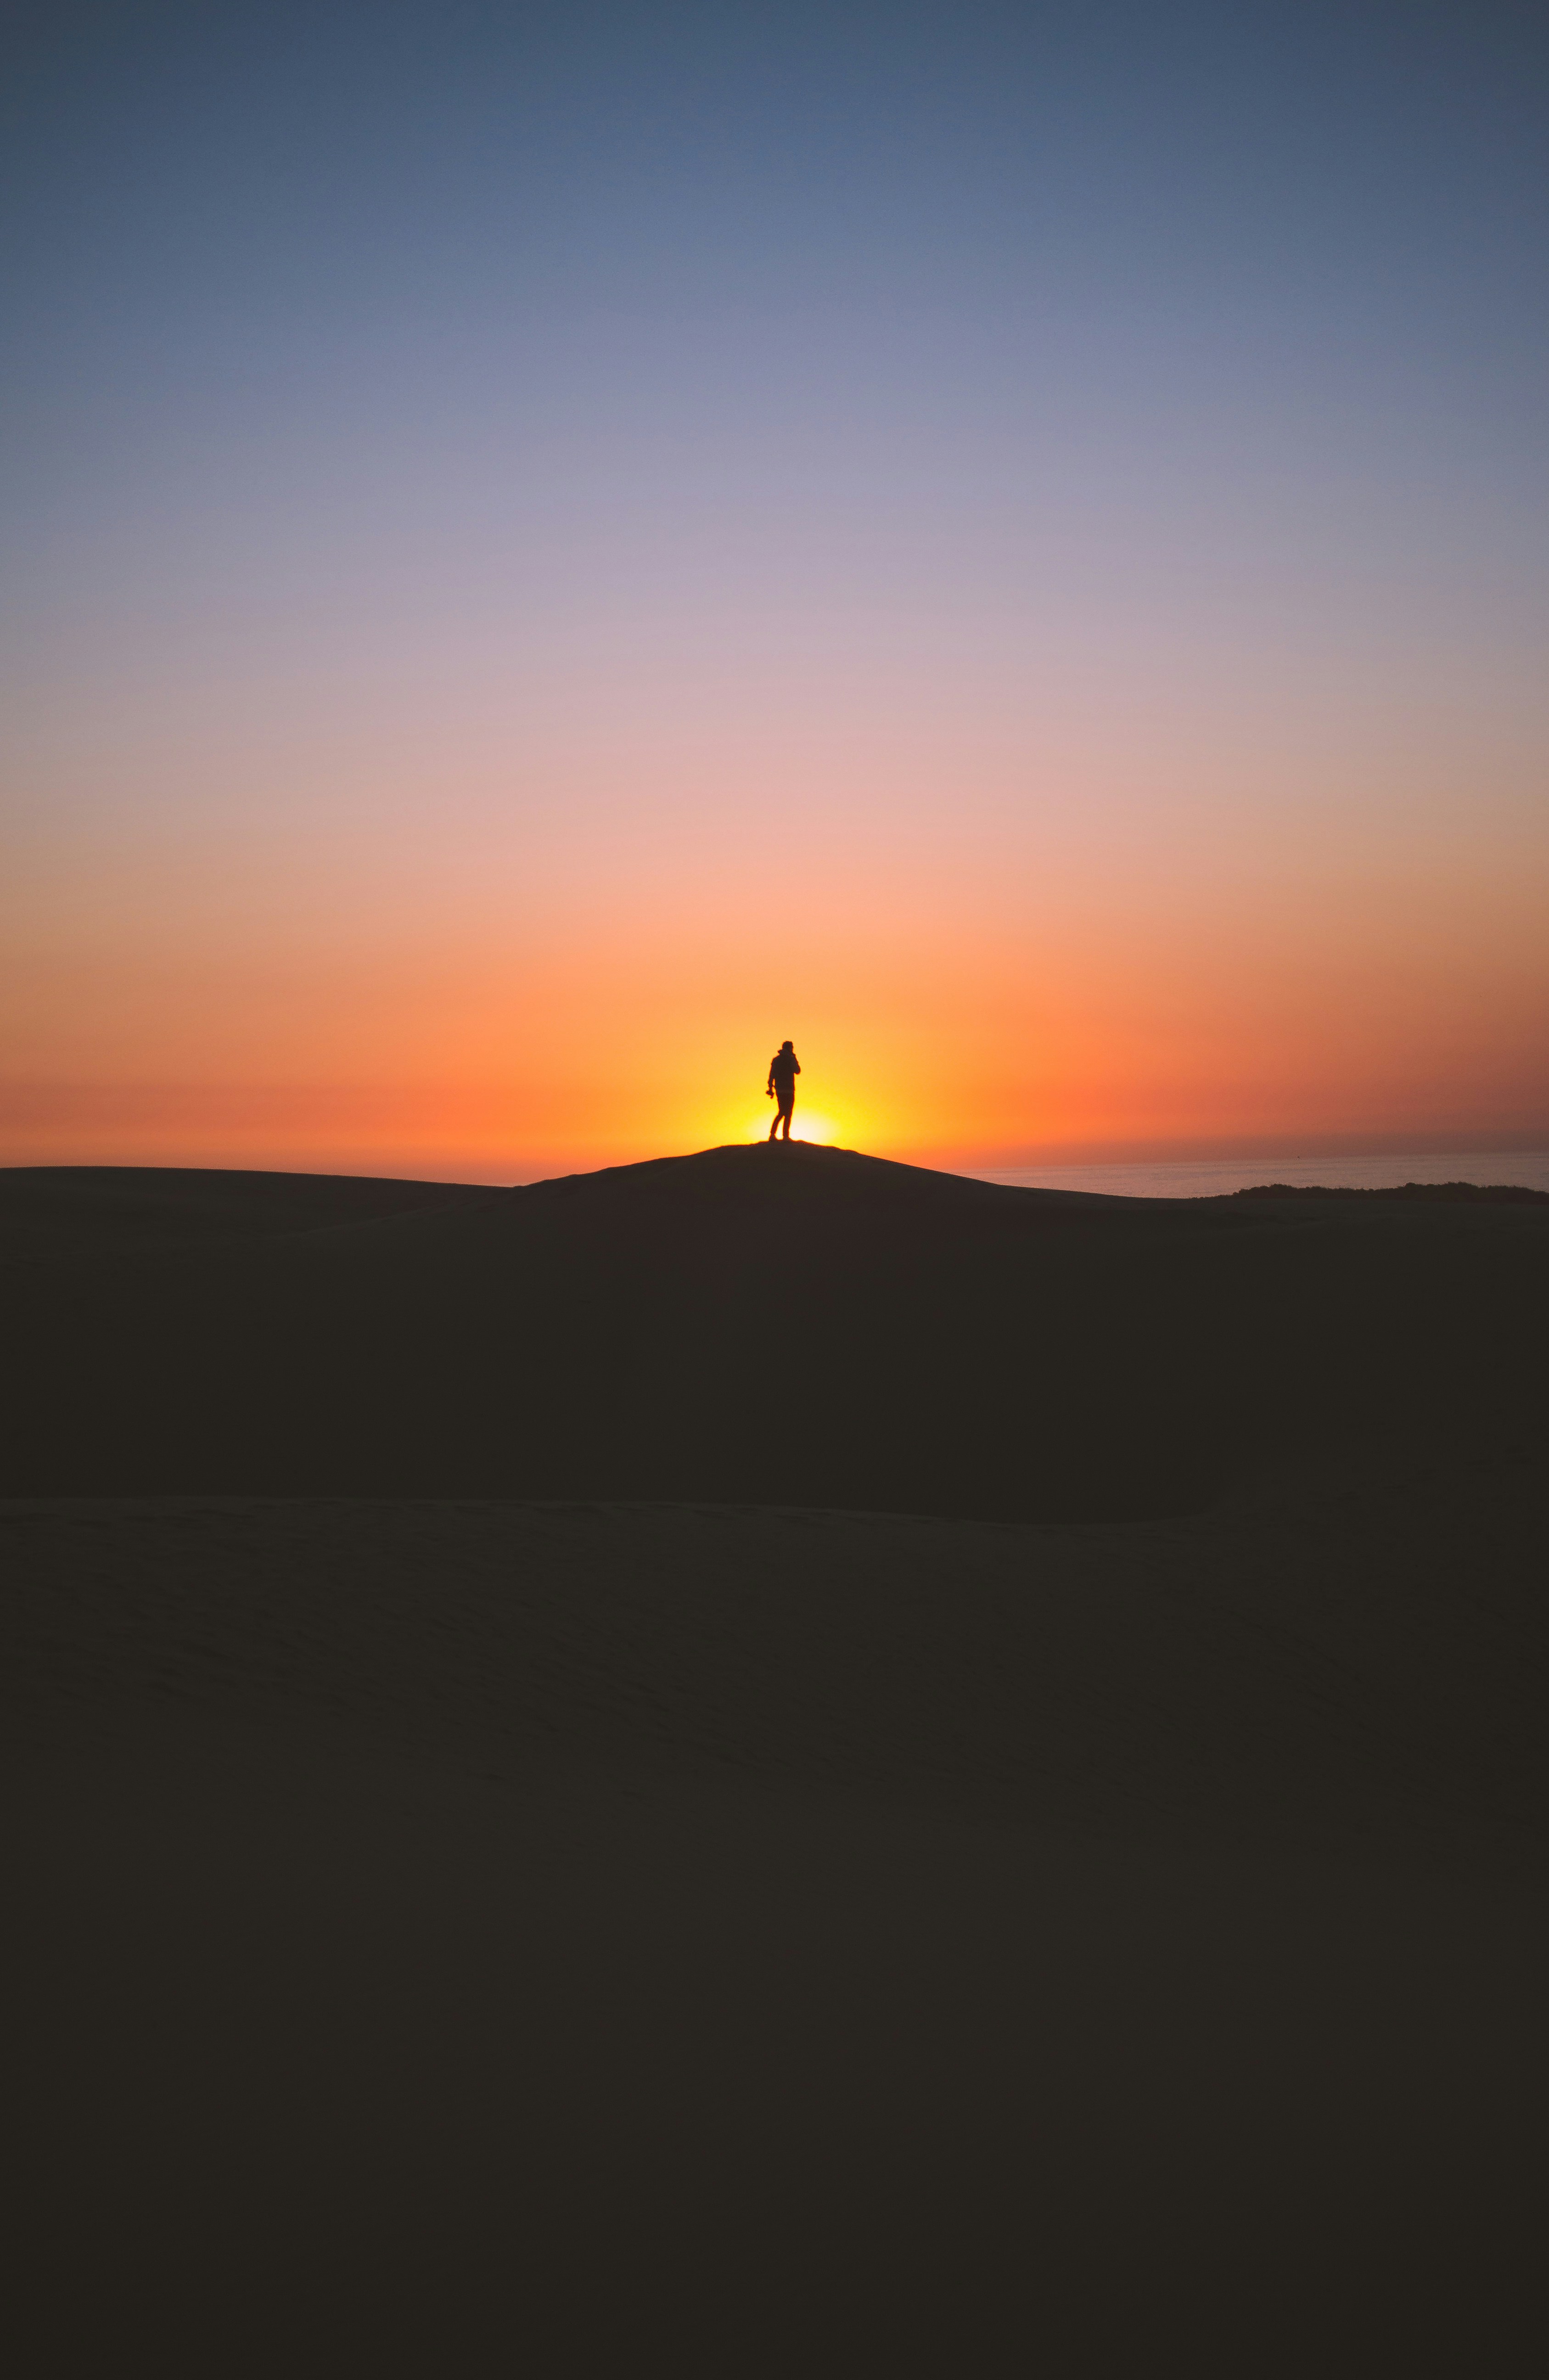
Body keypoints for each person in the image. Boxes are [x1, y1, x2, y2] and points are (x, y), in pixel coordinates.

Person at [766, 1040, 801, 1140]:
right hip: (789, 1089)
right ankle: (785, 1136)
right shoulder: (791, 1059)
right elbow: (797, 1071)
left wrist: (770, 1087)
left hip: (779, 1089)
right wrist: (794, 1058)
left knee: (782, 1112)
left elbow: (771, 1075)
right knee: (788, 1113)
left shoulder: (776, 1060)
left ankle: (773, 1134)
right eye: (792, 1047)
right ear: (790, 1048)